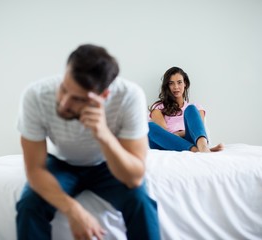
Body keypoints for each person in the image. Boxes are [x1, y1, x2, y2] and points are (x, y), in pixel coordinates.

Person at [16, 44, 160, 240]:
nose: (64, 102)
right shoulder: (36, 96)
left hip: (108, 165)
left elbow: (134, 177)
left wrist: (103, 134)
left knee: (141, 202)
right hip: (61, 164)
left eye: (77, 98)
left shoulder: (129, 96)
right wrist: (73, 210)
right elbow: (34, 170)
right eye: (64, 89)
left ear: (103, 96)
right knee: (29, 205)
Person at [148, 66, 224, 153]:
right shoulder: (158, 108)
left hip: (190, 139)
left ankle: (203, 147)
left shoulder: (196, 108)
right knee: (149, 126)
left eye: (179, 82)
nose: (176, 87)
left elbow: (198, 129)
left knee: (191, 108)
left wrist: (179, 134)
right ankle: (197, 150)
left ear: (185, 84)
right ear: (167, 86)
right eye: (171, 83)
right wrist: (176, 136)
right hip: (168, 143)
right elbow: (164, 133)